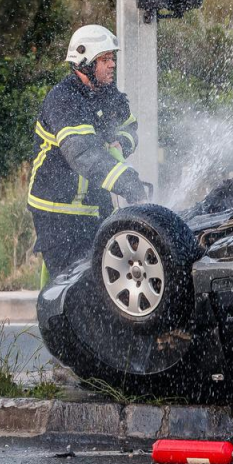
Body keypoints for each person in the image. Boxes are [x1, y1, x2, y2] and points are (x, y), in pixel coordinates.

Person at [28, 25, 150, 278]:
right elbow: (83, 155)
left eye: (112, 58)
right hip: (57, 212)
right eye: (105, 59)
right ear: (84, 63)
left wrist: (122, 143)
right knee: (70, 288)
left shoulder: (109, 95)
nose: (112, 65)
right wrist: (128, 183)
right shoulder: (64, 100)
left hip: (94, 207)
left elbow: (131, 127)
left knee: (101, 282)